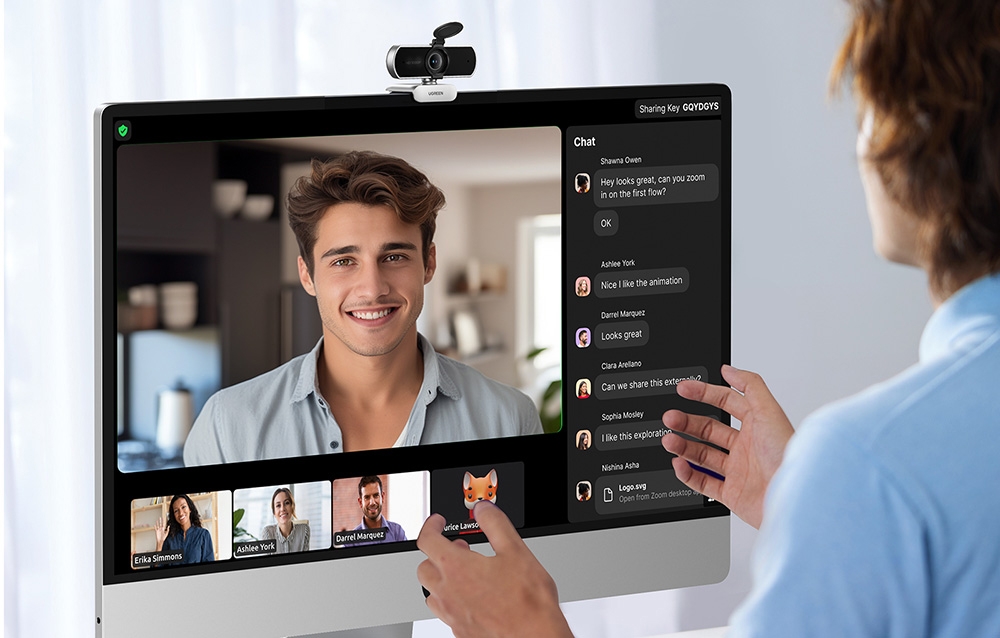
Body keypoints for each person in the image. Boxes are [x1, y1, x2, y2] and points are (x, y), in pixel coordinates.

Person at [416, 1, 1000, 635]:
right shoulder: (883, 473)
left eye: (867, 108)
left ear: (911, 134)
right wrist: (811, 507)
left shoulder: (875, 461)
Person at [183, 151, 542, 466]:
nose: (373, 288)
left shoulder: (509, 419)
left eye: (395, 256)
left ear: (429, 264)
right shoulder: (227, 427)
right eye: (343, 261)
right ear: (307, 276)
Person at [345, 475, 406, 546]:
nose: (372, 502)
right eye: (367, 497)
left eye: (376, 495)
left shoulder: (397, 532)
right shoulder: (350, 542)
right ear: (360, 502)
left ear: (382, 497)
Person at [154, 494, 214, 565]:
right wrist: (160, 544)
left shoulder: (203, 535)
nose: (181, 513)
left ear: (190, 508)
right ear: (173, 515)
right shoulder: (169, 538)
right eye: (176, 511)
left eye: (183, 507)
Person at [260, 487, 311, 554]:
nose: (282, 509)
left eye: (287, 503)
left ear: (292, 507)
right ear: (274, 512)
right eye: (278, 505)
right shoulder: (268, 534)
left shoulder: (304, 531)